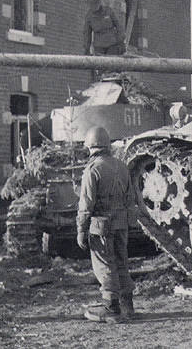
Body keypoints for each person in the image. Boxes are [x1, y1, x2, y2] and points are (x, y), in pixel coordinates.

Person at [77, 126, 137, 323]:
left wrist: (81, 229)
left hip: (101, 226)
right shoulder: (121, 166)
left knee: (105, 265)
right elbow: (130, 198)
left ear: (91, 147)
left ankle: (111, 308)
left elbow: (86, 204)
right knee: (121, 262)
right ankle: (128, 306)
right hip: (121, 224)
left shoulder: (92, 169)